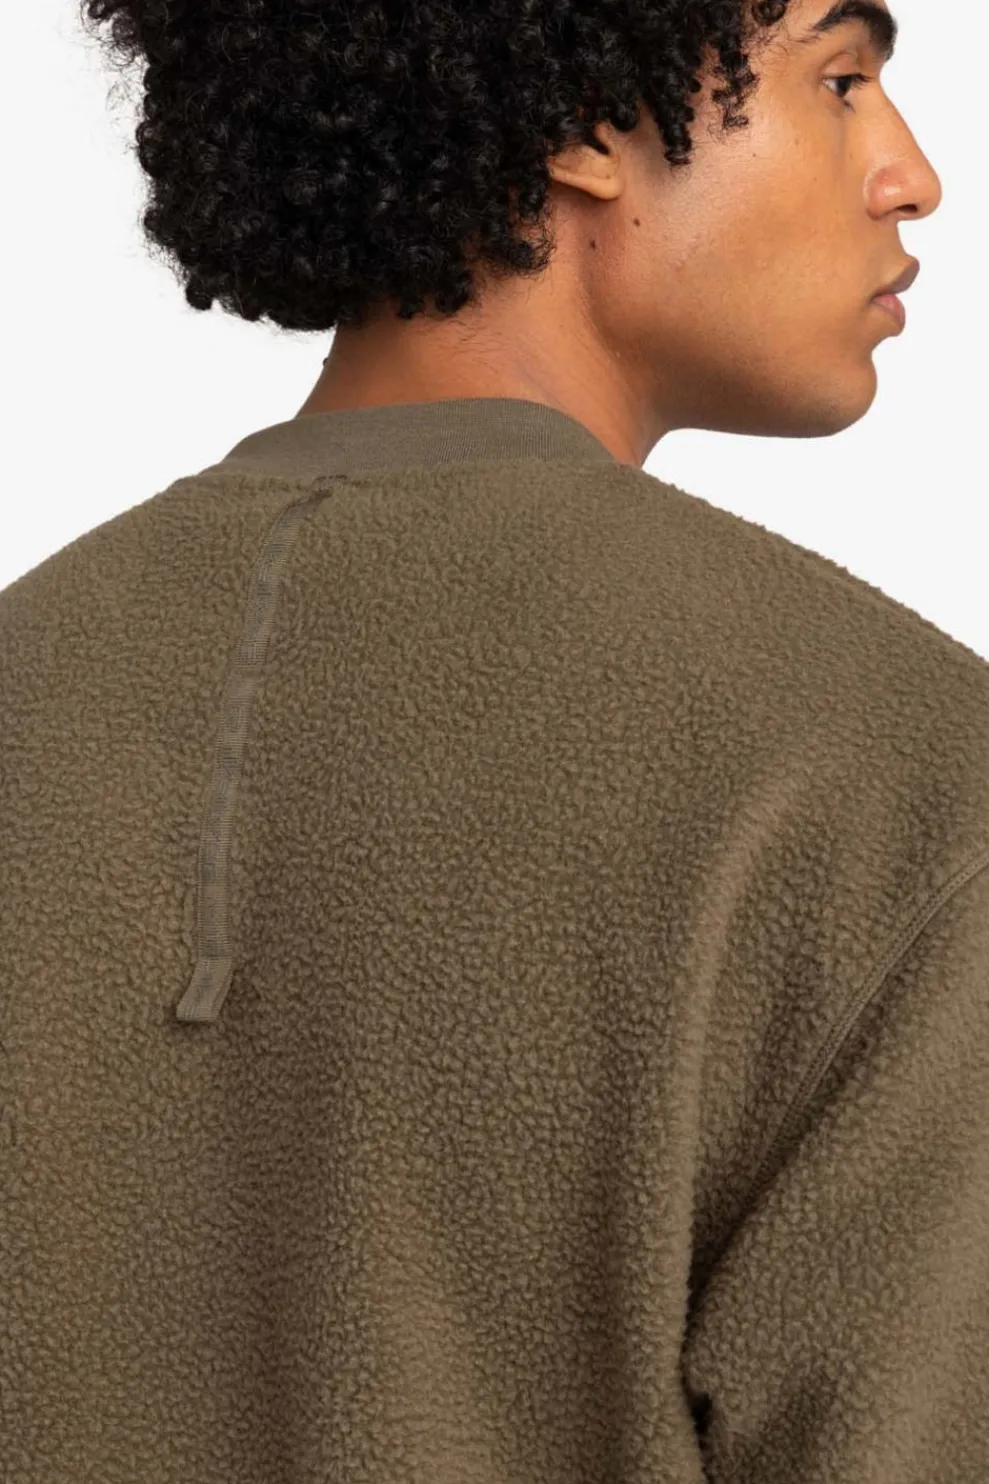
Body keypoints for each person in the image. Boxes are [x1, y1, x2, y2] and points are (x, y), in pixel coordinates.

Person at [2, 1, 986, 1482]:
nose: (911, 176)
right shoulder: (899, 776)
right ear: (589, 124)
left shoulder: (34, 668)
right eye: (840, 80)